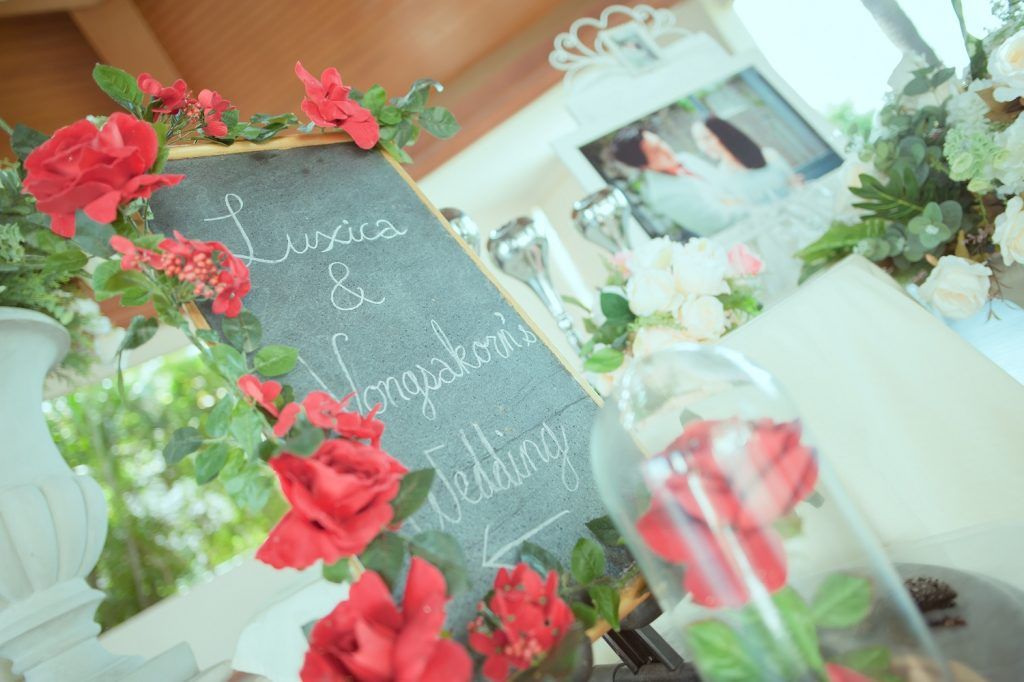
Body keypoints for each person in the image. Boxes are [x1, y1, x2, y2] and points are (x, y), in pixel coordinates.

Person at [611, 127, 747, 237]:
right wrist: (749, 204)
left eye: (660, 142)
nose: (665, 149)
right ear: (644, 166)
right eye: (656, 151)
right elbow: (718, 222)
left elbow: (727, 184)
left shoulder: (685, 159)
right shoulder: (663, 196)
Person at [690, 117, 803, 205]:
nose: (703, 146)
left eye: (706, 138)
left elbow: (795, 183)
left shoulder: (768, 155)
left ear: (723, 134)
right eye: (698, 141)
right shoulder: (723, 176)